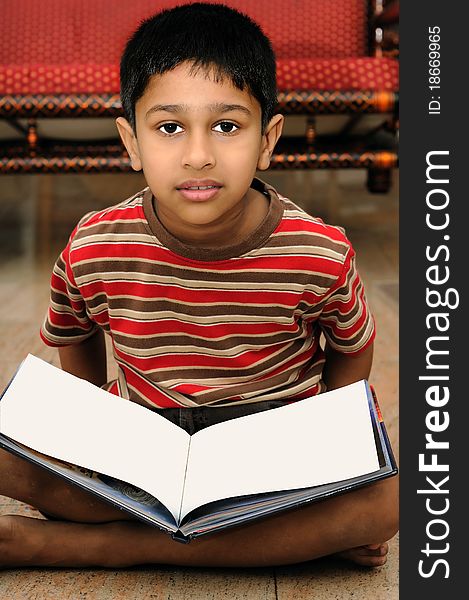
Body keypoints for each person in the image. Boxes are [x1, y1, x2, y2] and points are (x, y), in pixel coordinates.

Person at [0, 2, 398, 569]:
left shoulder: (320, 251)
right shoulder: (94, 242)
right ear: (130, 141)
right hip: (144, 445)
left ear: (268, 138)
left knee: (389, 502)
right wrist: (93, 430)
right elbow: (73, 327)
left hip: (269, 457)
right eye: (168, 128)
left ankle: (101, 544)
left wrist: (328, 454)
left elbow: (352, 347)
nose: (198, 155)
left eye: (227, 126)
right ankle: (238, 536)